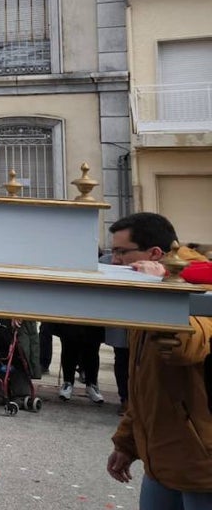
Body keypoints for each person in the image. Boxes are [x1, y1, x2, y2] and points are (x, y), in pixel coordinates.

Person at [106, 214, 212, 505]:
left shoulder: (199, 285)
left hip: (202, 464)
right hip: (162, 463)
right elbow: (144, 383)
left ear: (154, 254)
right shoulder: (146, 292)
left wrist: (162, 294)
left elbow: (183, 349)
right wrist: (126, 444)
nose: (114, 261)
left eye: (120, 252)